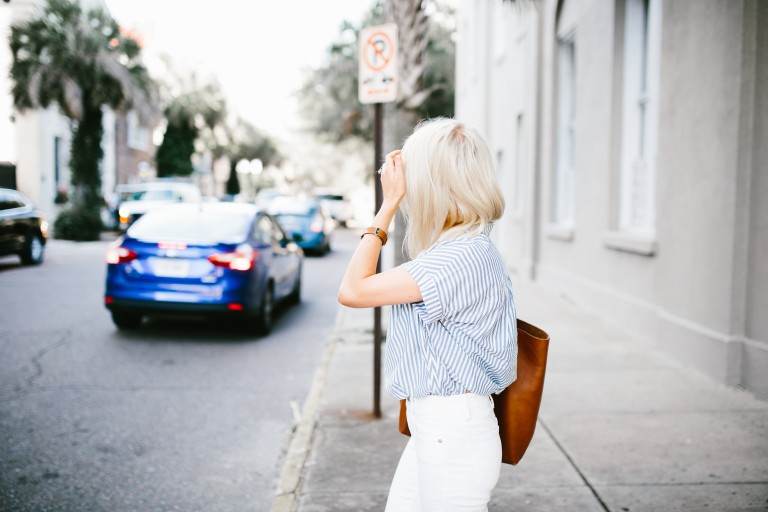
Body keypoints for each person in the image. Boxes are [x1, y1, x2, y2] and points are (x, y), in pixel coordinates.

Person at [338, 117, 518, 511]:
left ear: (435, 184)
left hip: (452, 433)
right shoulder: (465, 249)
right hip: (440, 430)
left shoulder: (458, 258)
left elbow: (351, 290)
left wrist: (386, 207)